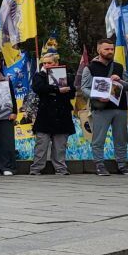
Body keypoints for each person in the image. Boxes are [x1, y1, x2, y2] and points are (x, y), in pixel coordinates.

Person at [79, 38, 128, 175]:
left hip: (119, 108)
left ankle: (122, 164)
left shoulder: (119, 66)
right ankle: (99, 165)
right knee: (99, 138)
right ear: (99, 50)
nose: (110, 51)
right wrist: (95, 96)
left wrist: (120, 80)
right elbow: (84, 88)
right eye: (107, 49)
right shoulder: (90, 68)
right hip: (101, 108)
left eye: (112, 49)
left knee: (121, 138)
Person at [29, 44, 75, 175]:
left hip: (62, 114)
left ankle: (61, 168)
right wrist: (56, 90)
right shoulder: (39, 76)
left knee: (60, 145)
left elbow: (72, 92)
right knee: (41, 144)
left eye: (49, 63)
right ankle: (36, 169)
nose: (47, 65)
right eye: (45, 63)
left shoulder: (67, 75)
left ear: (56, 63)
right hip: (45, 115)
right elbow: (38, 88)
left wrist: (64, 90)